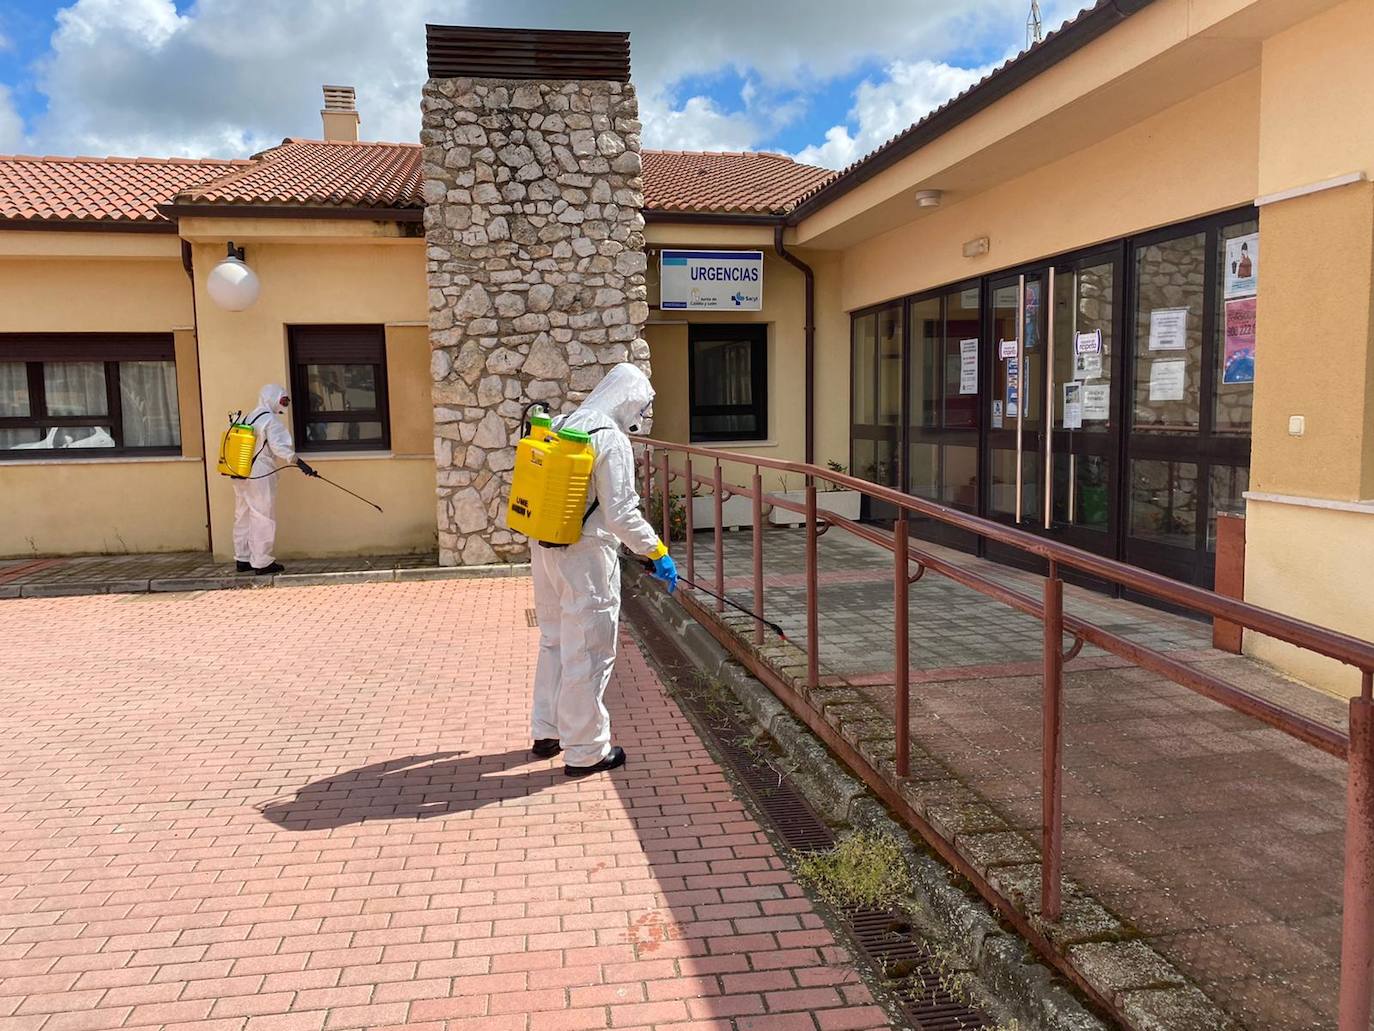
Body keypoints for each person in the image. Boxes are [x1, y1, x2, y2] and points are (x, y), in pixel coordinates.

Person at [529, 363, 678, 778]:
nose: (643, 415)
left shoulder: (564, 422)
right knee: (589, 651)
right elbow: (621, 514)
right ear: (630, 399)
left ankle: (547, 731)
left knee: (554, 641)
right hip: (586, 556)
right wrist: (657, 551)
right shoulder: (609, 438)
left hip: (544, 545)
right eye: (644, 405)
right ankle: (587, 750)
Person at [233, 383, 318, 575]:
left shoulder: (248, 416)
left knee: (243, 515)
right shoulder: (270, 420)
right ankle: (262, 562)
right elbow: (279, 447)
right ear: (271, 398)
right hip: (260, 472)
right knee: (262, 515)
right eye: (282, 400)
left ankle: (243, 558)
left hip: (239, 471)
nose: (284, 404)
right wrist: (298, 461)